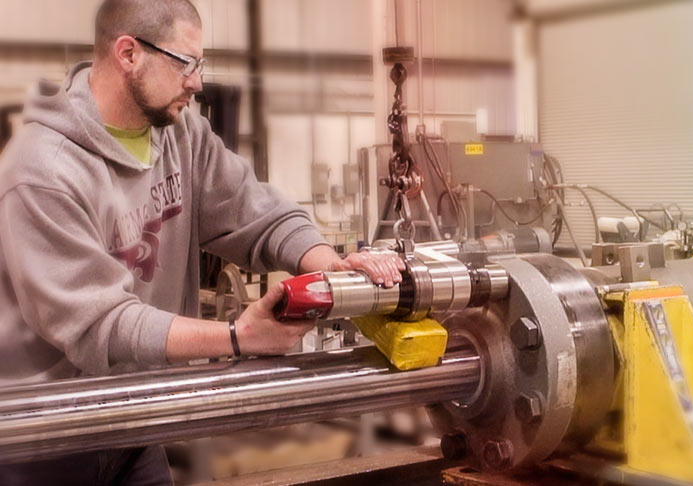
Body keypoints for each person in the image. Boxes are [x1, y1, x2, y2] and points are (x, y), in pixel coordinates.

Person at [0, 0, 403, 484]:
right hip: (46, 434)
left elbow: (254, 210)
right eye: (185, 63)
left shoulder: (180, 132)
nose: (197, 82)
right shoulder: (42, 170)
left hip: (135, 419)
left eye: (201, 64)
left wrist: (328, 262)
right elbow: (99, 322)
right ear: (128, 54)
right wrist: (237, 338)